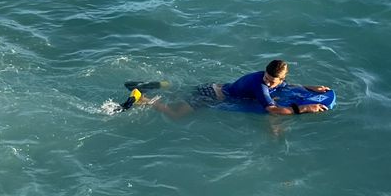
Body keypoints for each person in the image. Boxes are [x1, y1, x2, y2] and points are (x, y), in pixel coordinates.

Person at [141, 59, 331, 118]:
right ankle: (145, 100)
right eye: (267, 77)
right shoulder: (261, 85)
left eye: (274, 81)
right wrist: (305, 108)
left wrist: (310, 88)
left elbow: (287, 86)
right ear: (264, 73)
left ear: (281, 78)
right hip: (212, 96)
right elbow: (273, 110)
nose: (269, 83)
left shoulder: (277, 81)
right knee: (176, 115)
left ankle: (161, 86)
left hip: (214, 87)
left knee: (181, 93)